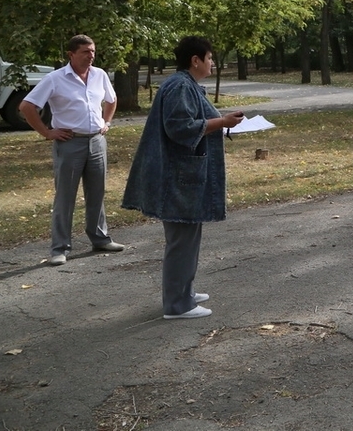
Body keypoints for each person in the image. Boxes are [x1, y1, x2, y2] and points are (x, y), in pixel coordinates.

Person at [121, 37, 244, 319]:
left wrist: (222, 121)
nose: (212, 63)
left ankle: (184, 291)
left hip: (185, 176)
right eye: (210, 58)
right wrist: (223, 122)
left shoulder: (185, 85)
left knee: (188, 236)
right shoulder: (179, 86)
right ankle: (177, 305)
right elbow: (180, 128)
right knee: (181, 240)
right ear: (195, 60)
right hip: (177, 177)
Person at [19, 35, 123, 266]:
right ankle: (60, 248)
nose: (91, 56)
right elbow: (27, 106)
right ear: (71, 54)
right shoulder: (55, 79)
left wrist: (106, 122)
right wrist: (47, 132)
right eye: (86, 51)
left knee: (97, 192)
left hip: (96, 141)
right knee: (65, 197)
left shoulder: (100, 75)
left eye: (93, 51)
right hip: (69, 143)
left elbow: (112, 99)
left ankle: (100, 238)